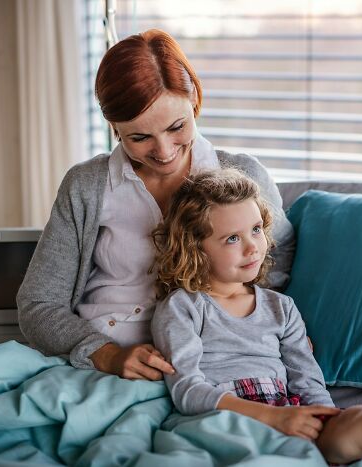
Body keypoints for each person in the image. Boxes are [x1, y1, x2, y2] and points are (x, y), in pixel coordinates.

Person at [16, 29, 295, 381]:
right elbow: (38, 306)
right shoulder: (86, 186)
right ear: (115, 128)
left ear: (193, 99)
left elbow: (279, 264)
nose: (163, 152)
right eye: (139, 137)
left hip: (209, 369)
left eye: (176, 126)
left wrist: (247, 336)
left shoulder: (243, 178)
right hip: (104, 367)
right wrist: (107, 354)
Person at [150, 169, 362, 465]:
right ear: (195, 248)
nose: (252, 248)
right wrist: (272, 418)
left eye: (256, 230)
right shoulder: (183, 307)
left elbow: (307, 379)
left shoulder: (281, 307)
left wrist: (326, 418)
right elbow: (188, 390)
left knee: (352, 423)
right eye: (232, 238)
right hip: (224, 416)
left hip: (286, 411)